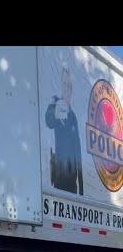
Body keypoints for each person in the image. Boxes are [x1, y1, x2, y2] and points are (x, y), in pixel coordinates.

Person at [46, 67, 83, 195]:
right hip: (60, 175)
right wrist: (56, 114)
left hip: (73, 180)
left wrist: (81, 189)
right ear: (61, 86)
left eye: (69, 85)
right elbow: (49, 121)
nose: (67, 88)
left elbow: (78, 152)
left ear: (72, 89)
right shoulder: (55, 103)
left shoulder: (73, 116)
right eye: (64, 84)